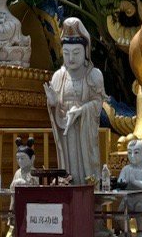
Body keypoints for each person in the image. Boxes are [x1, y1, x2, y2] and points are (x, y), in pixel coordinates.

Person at [44, 17, 105, 185]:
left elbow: (98, 104)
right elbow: (56, 106)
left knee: (85, 168)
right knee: (69, 164)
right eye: (66, 53)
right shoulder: (59, 76)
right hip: (66, 128)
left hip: (84, 130)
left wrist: (81, 110)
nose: (70, 58)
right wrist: (53, 103)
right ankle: (68, 185)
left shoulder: (93, 75)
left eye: (76, 53)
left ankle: (88, 188)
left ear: (85, 51)